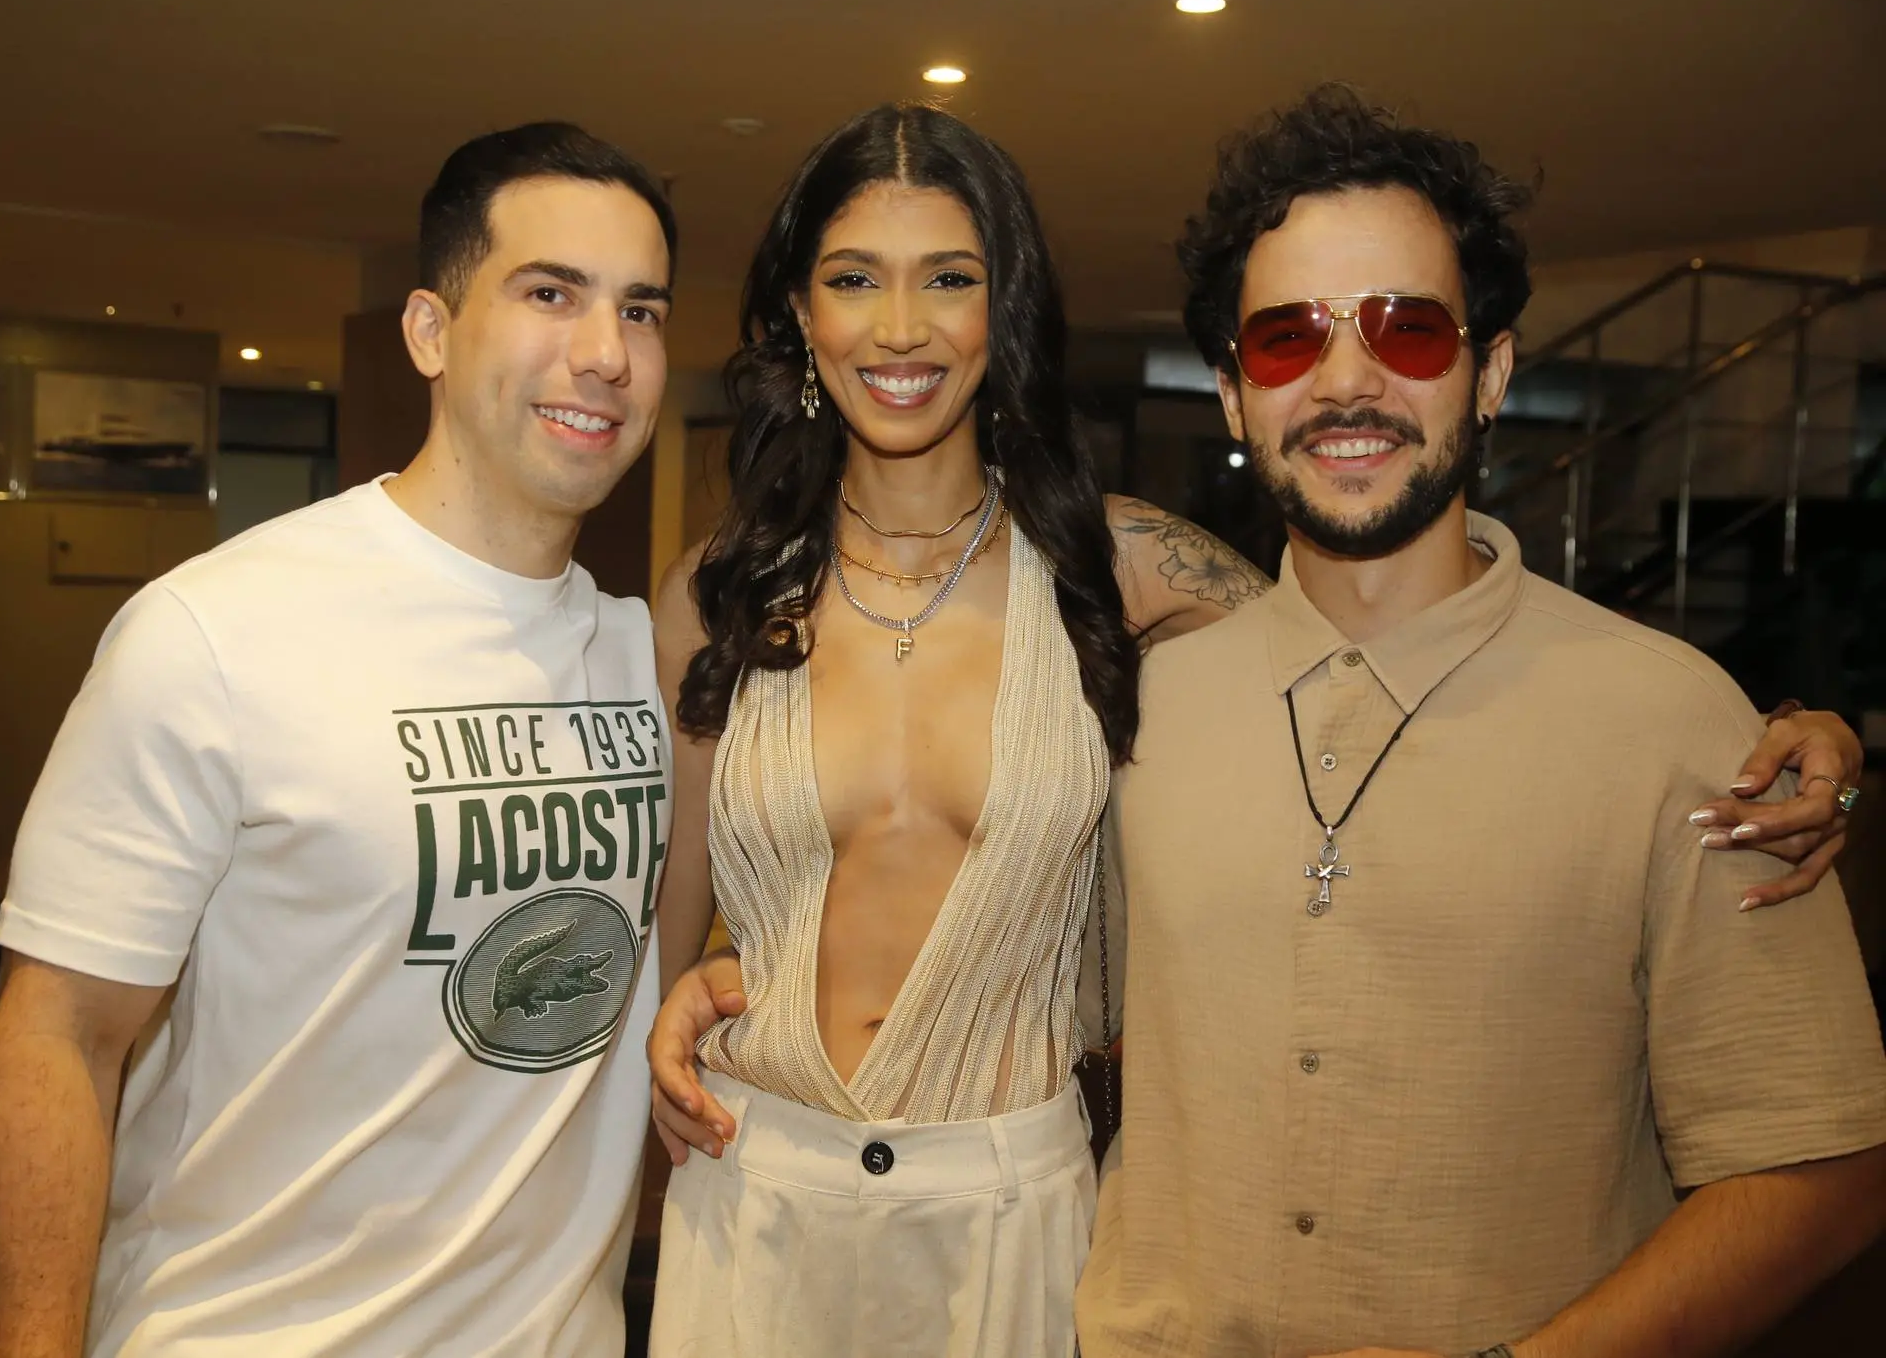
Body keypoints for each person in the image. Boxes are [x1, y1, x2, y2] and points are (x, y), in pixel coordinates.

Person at [641, 102, 1865, 1358]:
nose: (1344, 381)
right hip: (767, 1191)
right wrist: (736, 975)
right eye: (853, 278)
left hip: (1010, 1224)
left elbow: (1352, 629)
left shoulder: (1112, 577)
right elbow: (695, 934)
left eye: (949, 277)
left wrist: (1794, 730)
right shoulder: (727, 600)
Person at [1071, 87, 1886, 1358]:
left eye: (1406, 330)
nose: (1347, 381)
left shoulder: (1669, 721)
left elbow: (1816, 1171)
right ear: (1232, 395)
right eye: (1286, 340)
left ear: (1488, 372)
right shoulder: (1139, 713)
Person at [0, 123, 677, 1357]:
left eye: (642, 310)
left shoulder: (644, 659)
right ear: (429, 331)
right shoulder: (216, 632)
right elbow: (59, 1040)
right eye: (549, 293)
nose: (606, 353)